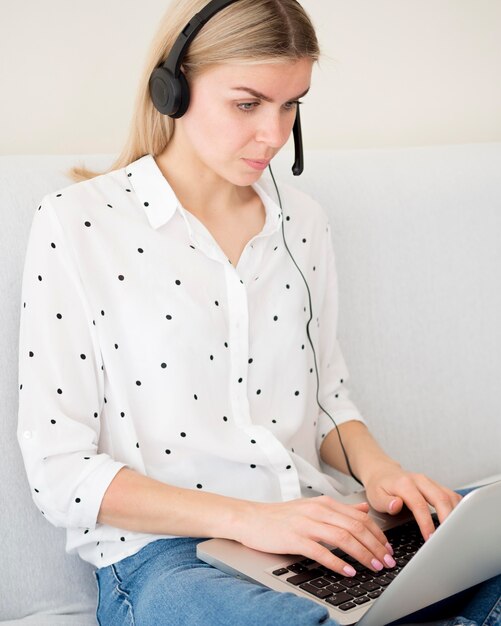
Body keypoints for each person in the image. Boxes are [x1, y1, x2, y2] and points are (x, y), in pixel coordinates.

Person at [17, 1, 500, 625]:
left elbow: (327, 400)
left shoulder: (303, 222)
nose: (273, 134)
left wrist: (382, 473)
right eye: (248, 104)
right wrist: (252, 521)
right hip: (171, 560)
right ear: (173, 88)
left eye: (291, 103)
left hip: (322, 530)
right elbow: (61, 472)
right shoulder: (78, 224)